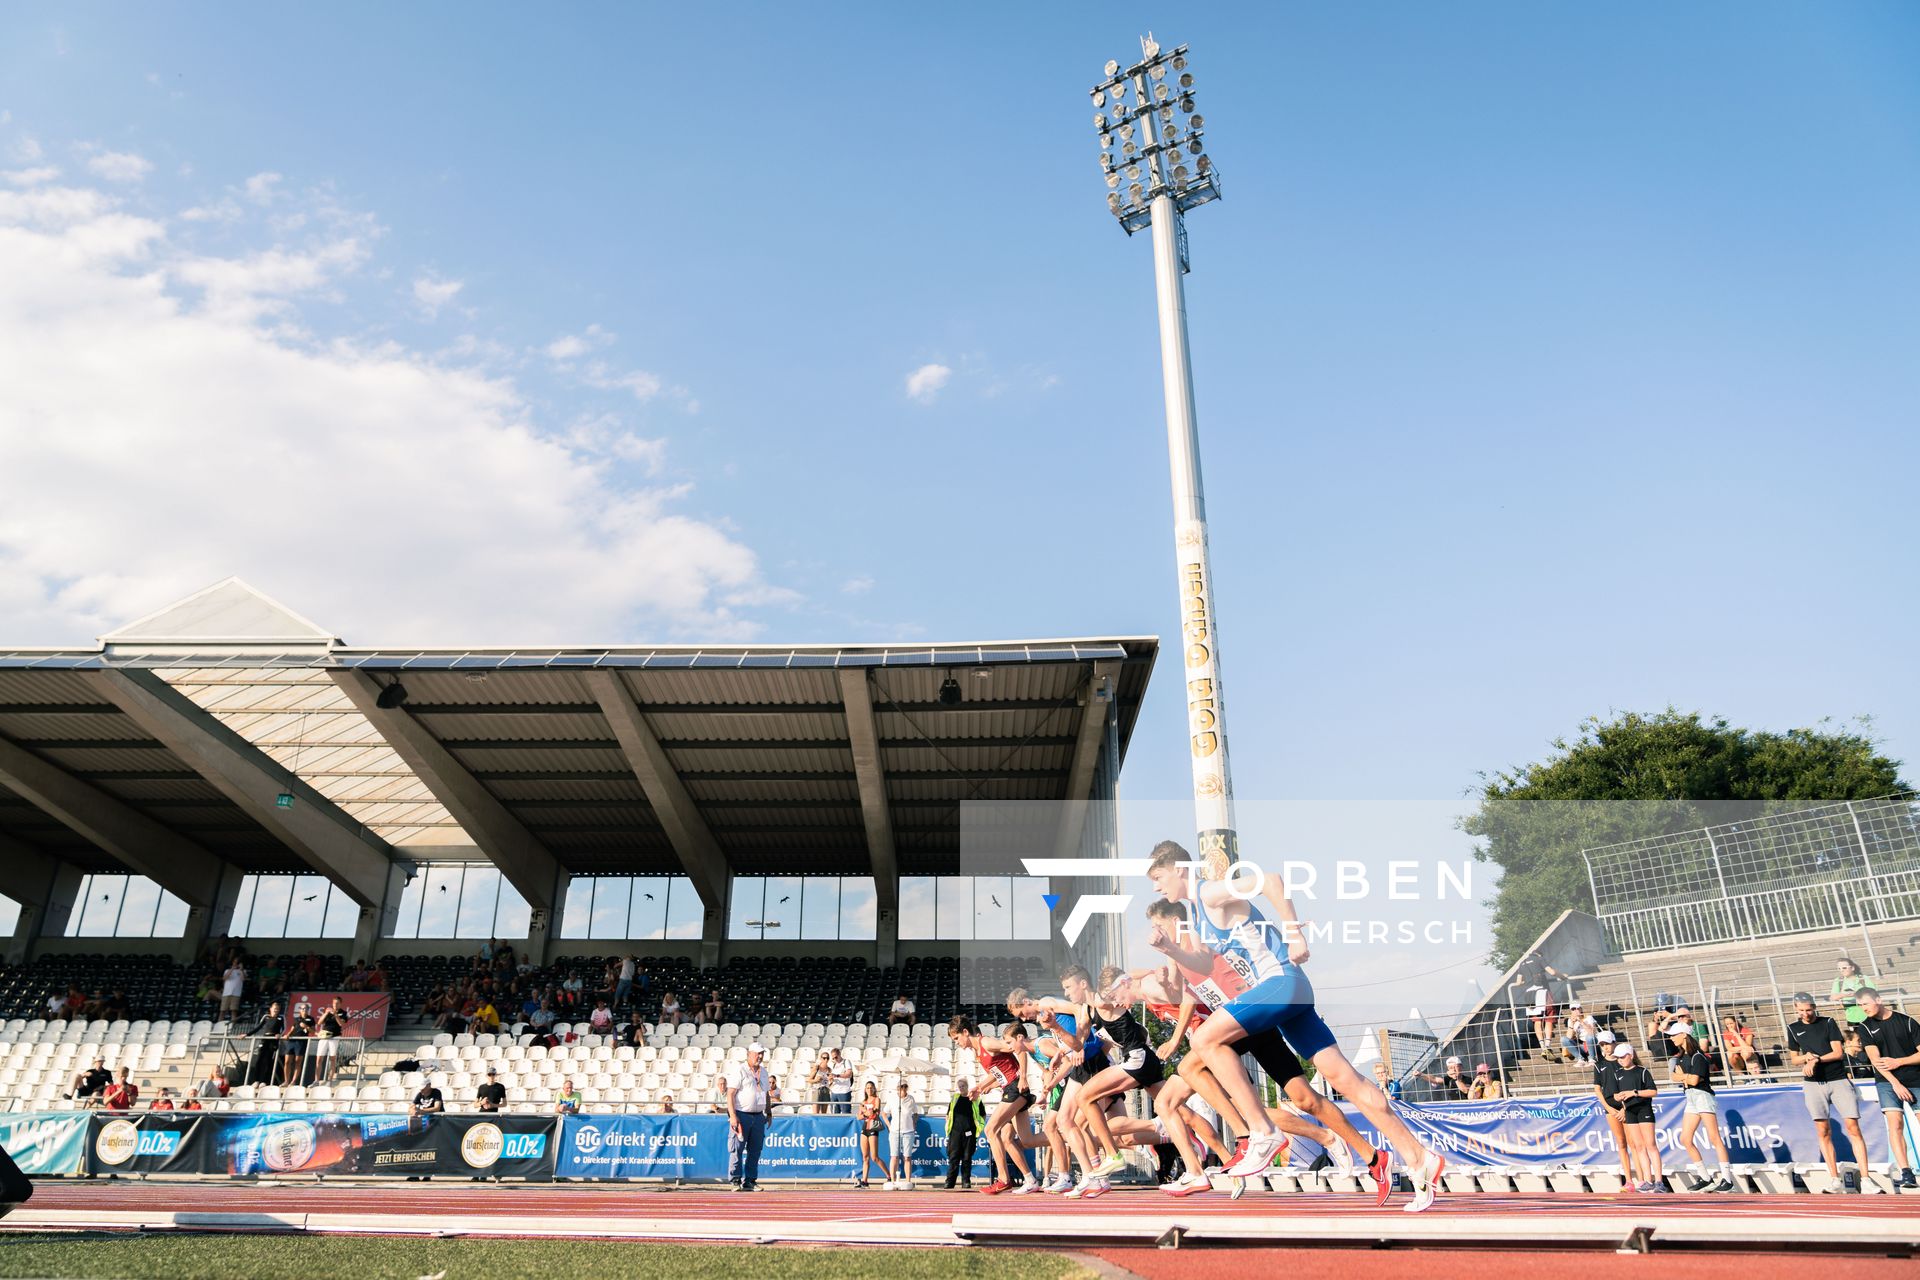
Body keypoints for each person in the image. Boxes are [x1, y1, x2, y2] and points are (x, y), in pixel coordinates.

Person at [1142, 840, 1445, 1212]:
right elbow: (1204, 964)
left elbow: (1269, 880)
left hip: (1281, 981)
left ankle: (1263, 1132)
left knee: (1204, 1039)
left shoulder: (1208, 891)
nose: (1157, 887)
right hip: (1290, 996)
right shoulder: (1197, 915)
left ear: (1178, 869)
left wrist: (1293, 933)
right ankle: (1418, 1158)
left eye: (1158, 877)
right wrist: (1169, 950)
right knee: (1347, 1081)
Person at [1786, 991, 1872, 1191]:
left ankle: (1866, 1179)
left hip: (1838, 1079)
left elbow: (1838, 1053)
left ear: (1814, 1007)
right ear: (1795, 1009)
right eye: (1801, 1011)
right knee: (1823, 1131)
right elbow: (1794, 1059)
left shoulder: (1828, 1022)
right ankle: (1835, 1179)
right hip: (1813, 1083)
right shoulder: (1793, 1028)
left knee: (1853, 1128)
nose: (1806, 1014)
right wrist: (1807, 1057)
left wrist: (1816, 1059)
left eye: (1809, 1010)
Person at [946, 1015, 1037, 1196]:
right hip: (1009, 1087)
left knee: (990, 1130)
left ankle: (1003, 1180)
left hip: (1015, 1088)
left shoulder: (986, 1043)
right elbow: (1000, 1072)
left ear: (965, 1032)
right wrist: (981, 1087)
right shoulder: (978, 1051)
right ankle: (1031, 1179)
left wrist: (1024, 1076)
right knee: (1014, 1139)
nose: (957, 1043)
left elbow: (1019, 1048)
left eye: (956, 1038)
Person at [1857, 987, 1920, 1190]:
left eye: (1865, 1003)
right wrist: (1896, 1083)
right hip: (1887, 1082)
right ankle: (1906, 1172)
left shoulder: (1907, 1022)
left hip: (1915, 1078)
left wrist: (1899, 1062)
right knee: (1895, 1124)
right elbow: (1876, 1061)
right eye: (1859, 1005)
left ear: (1878, 999)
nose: (1863, 1008)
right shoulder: (1865, 1027)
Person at [1666, 1021, 1733, 1191]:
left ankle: (1727, 1179)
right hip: (1691, 1097)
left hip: (1702, 1096)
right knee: (1685, 1139)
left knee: (1714, 1137)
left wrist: (1684, 1077)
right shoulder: (1682, 1057)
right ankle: (1705, 1178)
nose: (1672, 1038)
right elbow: (1675, 1077)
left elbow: (1694, 1080)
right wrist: (1686, 1078)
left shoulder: (1698, 1056)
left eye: (1674, 1035)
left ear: (1684, 1035)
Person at [1609, 1043, 1664, 1192]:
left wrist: (1635, 1092)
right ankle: (1648, 1180)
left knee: (1650, 1144)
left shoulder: (1642, 1071)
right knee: (1639, 1147)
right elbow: (1614, 1094)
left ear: (1631, 1055)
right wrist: (1619, 1096)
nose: (1620, 1060)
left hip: (1643, 1109)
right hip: (1630, 1111)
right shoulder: (1617, 1074)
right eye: (1618, 1058)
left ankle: (1659, 1181)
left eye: (1622, 1057)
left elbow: (1653, 1091)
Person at [724, 1041, 775, 1192]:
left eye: (762, 1053)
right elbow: (730, 1094)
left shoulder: (764, 1072)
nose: (760, 1056)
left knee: (755, 1149)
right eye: (757, 1053)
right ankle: (735, 1179)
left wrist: (769, 1112)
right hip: (742, 1114)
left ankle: (750, 1181)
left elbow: (766, 1094)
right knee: (737, 1148)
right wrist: (733, 1116)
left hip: (758, 1116)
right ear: (749, 1054)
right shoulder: (740, 1070)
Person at [946, 1077, 983, 1190]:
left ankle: (966, 1181)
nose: (961, 1088)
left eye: (963, 1086)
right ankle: (950, 1182)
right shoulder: (954, 1099)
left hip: (969, 1133)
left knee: (967, 1158)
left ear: (967, 1086)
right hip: (955, 1132)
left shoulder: (975, 1099)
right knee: (954, 1158)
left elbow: (982, 1115)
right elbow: (948, 1114)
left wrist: (978, 1128)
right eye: (960, 1086)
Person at [883, 1079, 916, 1189]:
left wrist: (914, 1124)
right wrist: (889, 1125)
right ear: (897, 1088)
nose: (902, 1089)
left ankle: (908, 1181)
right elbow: (884, 1113)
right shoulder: (892, 1099)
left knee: (907, 1157)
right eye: (901, 1087)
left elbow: (915, 1113)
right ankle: (892, 1181)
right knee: (894, 1156)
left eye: (904, 1087)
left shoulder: (911, 1099)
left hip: (908, 1131)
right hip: (895, 1131)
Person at [856, 1081, 887, 1187]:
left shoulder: (876, 1099)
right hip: (865, 1128)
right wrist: (866, 1113)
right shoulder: (863, 1101)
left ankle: (888, 1175)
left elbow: (875, 1112)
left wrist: (867, 1111)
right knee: (865, 1156)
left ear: (874, 1089)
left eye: (871, 1088)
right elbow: (859, 1116)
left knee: (874, 1157)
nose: (869, 1089)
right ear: (865, 1089)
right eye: (867, 1088)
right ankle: (864, 1180)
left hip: (873, 1127)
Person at [313, 997, 346, 1084]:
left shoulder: (343, 1013)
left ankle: (330, 1080)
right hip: (324, 1036)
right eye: (334, 1003)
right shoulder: (327, 1012)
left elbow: (341, 1024)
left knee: (332, 1058)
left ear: (340, 1004)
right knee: (319, 1058)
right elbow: (319, 1023)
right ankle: (316, 1080)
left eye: (337, 1003)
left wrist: (335, 1015)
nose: (335, 1005)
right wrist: (326, 1013)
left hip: (335, 1037)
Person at [1832, 958, 1870, 1027]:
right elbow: (1833, 997)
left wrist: (1857, 994)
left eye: (1844, 968)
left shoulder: (1864, 978)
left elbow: (1873, 993)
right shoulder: (1838, 981)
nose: (1841, 970)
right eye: (1839, 968)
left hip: (1868, 1015)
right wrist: (1843, 995)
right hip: (1852, 1018)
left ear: (1852, 968)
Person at [828, 1048, 854, 1115]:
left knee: (846, 1113)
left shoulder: (846, 1062)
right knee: (834, 1113)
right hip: (834, 1091)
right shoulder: (834, 1064)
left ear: (839, 1054)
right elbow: (833, 1077)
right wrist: (831, 1079)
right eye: (833, 1058)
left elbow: (849, 1074)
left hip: (844, 1091)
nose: (835, 1059)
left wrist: (837, 1075)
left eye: (836, 1057)